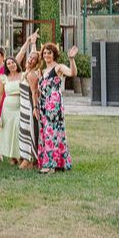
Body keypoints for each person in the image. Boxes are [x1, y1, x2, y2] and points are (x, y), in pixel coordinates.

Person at [38, 43, 77, 174]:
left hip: (53, 103)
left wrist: (71, 59)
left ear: (54, 54)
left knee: (52, 132)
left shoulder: (58, 67)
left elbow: (72, 73)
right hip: (44, 103)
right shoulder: (43, 71)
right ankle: (58, 162)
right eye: (44, 53)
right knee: (47, 132)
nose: (46, 55)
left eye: (49, 52)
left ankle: (51, 165)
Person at [15, 36, 42, 170]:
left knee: (30, 131)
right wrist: (33, 43)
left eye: (33, 59)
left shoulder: (32, 75)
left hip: (30, 106)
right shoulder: (26, 72)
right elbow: (32, 54)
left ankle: (31, 159)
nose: (30, 59)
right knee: (24, 132)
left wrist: (35, 108)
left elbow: (34, 93)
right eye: (30, 57)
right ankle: (25, 157)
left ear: (36, 63)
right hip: (23, 106)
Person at [0, 57, 23, 165]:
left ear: (16, 63)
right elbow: (0, 94)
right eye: (9, 63)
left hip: (21, 106)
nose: (11, 64)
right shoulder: (3, 78)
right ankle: (12, 157)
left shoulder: (23, 75)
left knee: (19, 130)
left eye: (13, 62)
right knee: (9, 131)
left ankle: (21, 155)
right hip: (8, 107)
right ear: (6, 66)